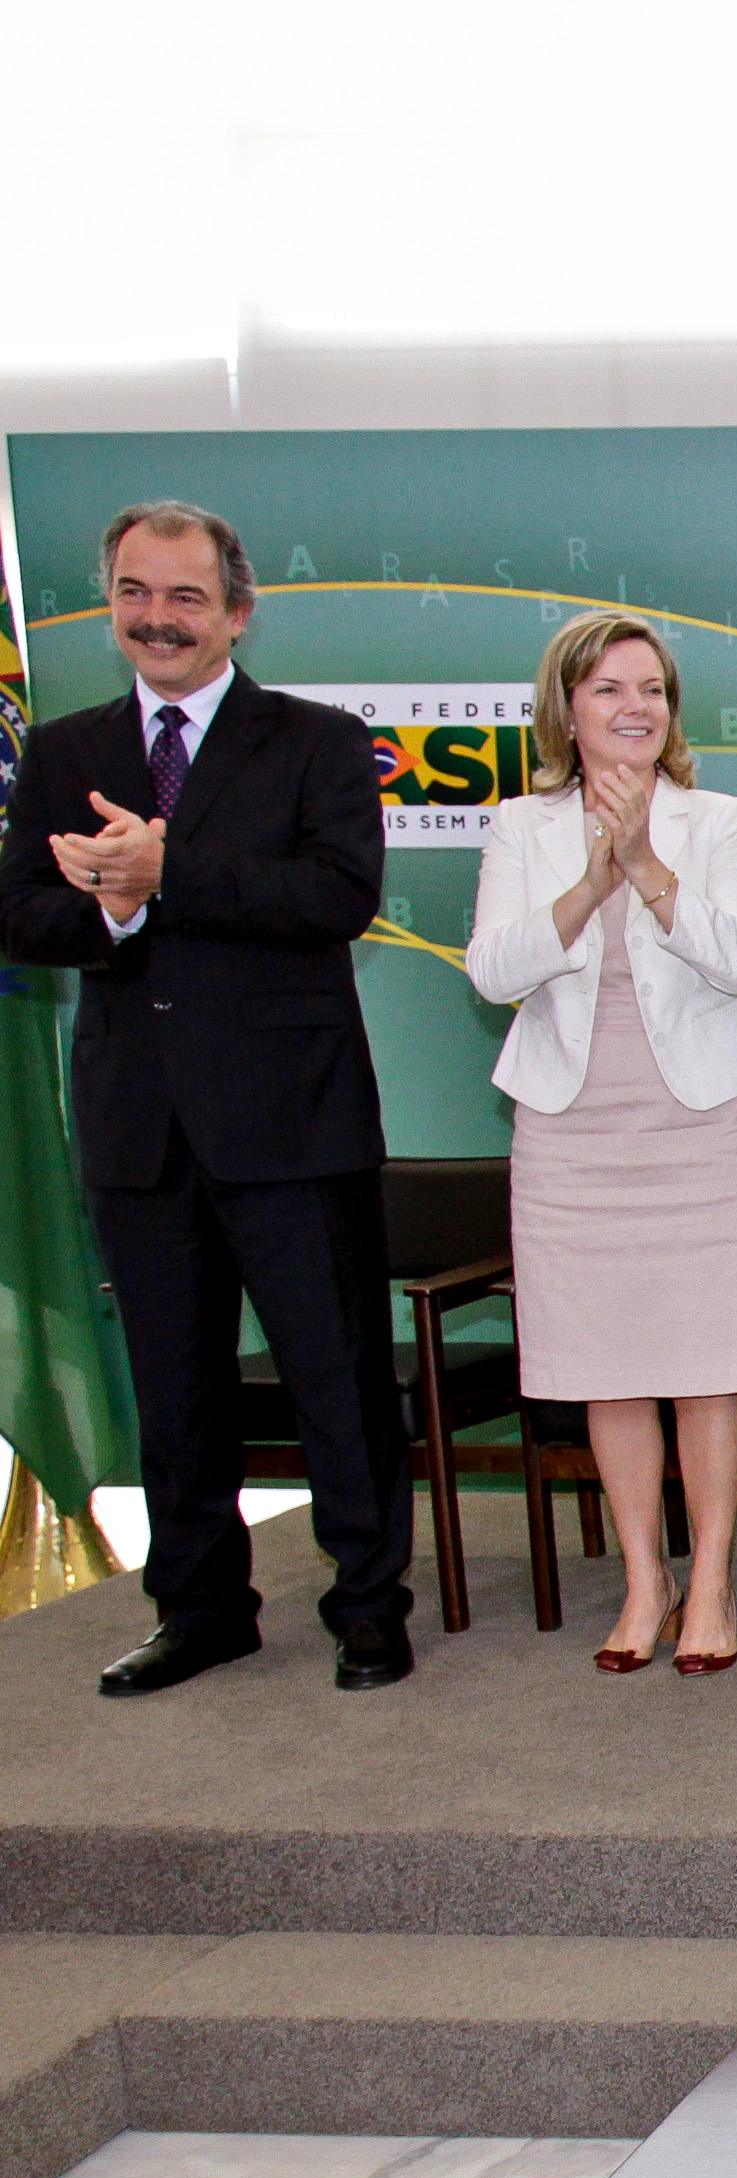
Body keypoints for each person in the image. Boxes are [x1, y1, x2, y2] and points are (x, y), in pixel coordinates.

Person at [0, 502, 415, 1695]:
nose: (157, 618)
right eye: (135, 592)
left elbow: (337, 896)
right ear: (110, 605)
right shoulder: (68, 754)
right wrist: (112, 907)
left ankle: (367, 1602)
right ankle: (199, 1609)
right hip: (140, 1128)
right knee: (176, 1387)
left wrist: (170, 870)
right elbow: (21, 913)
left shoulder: (317, 742)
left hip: (293, 1120)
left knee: (333, 1373)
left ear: (235, 611)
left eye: (184, 597)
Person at [467, 613, 737, 1677]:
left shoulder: (717, 818)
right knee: (610, 1368)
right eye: (609, 689)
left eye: (652, 689)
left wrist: (647, 866)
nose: (635, 709)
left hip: (701, 1128)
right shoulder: (521, 825)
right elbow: (493, 972)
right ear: (568, 708)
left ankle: (710, 1582)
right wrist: (590, 882)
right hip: (573, 1134)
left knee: (709, 1365)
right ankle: (644, 1578)